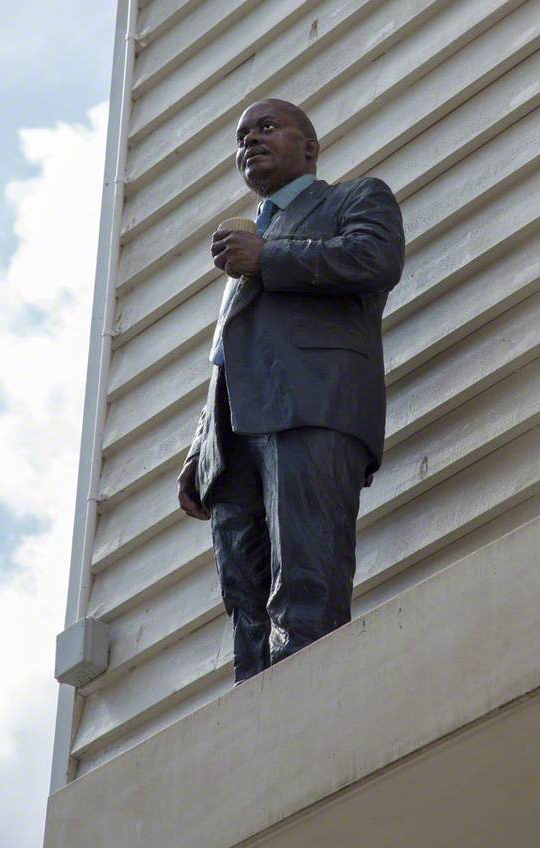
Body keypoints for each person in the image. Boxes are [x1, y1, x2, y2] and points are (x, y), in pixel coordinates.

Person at [177, 98, 405, 683]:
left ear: (309, 147)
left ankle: (308, 704)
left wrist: (268, 257)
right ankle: (259, 723)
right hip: (234, 442)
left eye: (266, 127)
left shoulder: (353, 199)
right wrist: (201, 449)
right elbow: (230, 354)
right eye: (240, 135)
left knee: (307, 573)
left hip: (312, 410)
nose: (249, 140)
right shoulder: (251, 238)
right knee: (245, 597)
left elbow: (374, 258)